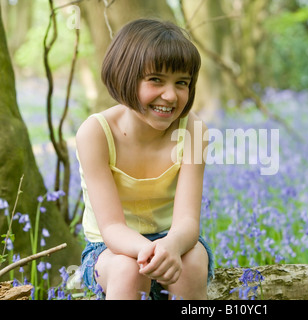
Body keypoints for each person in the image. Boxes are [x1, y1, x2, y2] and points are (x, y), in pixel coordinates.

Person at [76, 19, 213, 300]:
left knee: (193, 264)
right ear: (125, 76)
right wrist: (147, 253)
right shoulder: (96, 133)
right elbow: (112, 227)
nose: (171, 95)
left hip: (175, 241)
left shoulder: (193, 130)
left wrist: (170, 246)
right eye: (156, 80)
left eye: (182, 83)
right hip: (110, 250)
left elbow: (187, 220)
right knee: (129, 270)